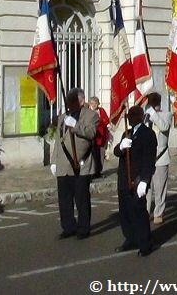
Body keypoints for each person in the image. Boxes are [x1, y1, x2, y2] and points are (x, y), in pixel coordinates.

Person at [51, 88, 98, 239]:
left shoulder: (91, 115)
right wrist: (54, 161)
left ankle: (83, 228)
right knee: (64, 199)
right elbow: (59, 141)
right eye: (68, 101)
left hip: (81, 164)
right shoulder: (62, 117)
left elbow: (91, 133)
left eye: (73, 101)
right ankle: (68, 226)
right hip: (63, 164)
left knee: (81, 198)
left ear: (82, 101)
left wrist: (76, 126)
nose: (70, 104)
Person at [113, 105, 157, 257]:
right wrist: (121, 146)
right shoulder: (127, 133)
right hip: (124, 180)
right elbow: (116, 152)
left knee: (138, 212)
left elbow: (149, 159)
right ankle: (130, 238)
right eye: (129, 116)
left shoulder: (148, 134)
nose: (129, 118)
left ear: (139, 116)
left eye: (132, 115)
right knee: (125, 212)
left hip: (137, 180)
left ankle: (145, 243)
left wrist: (145, 180)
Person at [144, 92, 172, 224]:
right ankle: (145, 211)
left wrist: (154, 114)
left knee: (160, 188)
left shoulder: (166, 115)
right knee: (146, 188)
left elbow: (164, 126)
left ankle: (158, 213)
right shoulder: (146, 118)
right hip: (147, 158)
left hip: (160, 157)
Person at [88, 96, 110, 179]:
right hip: (91, 137)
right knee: (92, 155)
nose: (94, 105)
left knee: (101, 154)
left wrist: (101, 121)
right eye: (92, 103)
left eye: (96, 103)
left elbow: (106, 120)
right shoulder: (87, 111)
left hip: (101, 136)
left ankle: (99, 171)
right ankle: (92, 172)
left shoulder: (101, 110)